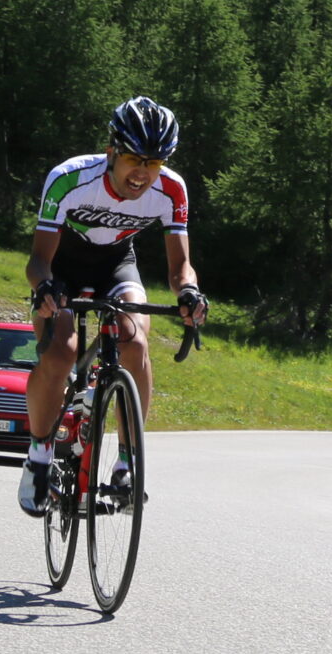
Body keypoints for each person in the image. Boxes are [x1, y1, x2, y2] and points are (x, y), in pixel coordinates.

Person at [18, 95, 209, 516]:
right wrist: (47, 290)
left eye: (154, 162)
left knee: (135, 342)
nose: (143, 173)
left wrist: (189, 294)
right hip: (62, 267)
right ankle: (38, 454)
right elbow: (38, 261)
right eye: (135, 159)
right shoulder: (69, 178)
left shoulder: (171, 188)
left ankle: (127, 462)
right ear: (112, 151)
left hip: (117, 265)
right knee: (62, 349)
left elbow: (181, 269)